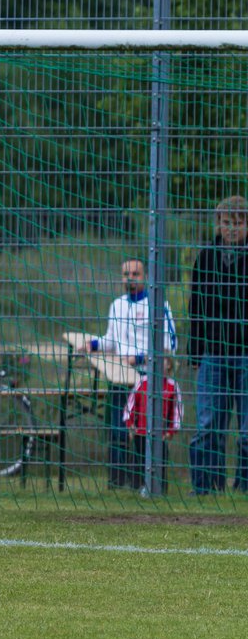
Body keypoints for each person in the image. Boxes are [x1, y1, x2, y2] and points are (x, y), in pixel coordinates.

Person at [75, 258, 177, 490]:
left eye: (135, 273)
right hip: (119, 377)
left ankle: (152, 482)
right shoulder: (117, 305)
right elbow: (112, 341)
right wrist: (91, 343)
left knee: (147, 431)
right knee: (118, 430)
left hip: (146, 379)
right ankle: (118, 484)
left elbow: (170, 343)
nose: (130, 278)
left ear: (145, 276)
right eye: (125, 274)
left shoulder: (159, 304)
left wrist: (141, 358)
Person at [188, 195, 248, 495]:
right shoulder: (206, 257)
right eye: (227, 223)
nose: (233, 229)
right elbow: (195, 308)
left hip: (246, 354)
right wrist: (195, 352)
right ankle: (205, 487)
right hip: (213, 352)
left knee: (247, 429)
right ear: (218, 224)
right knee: (209, 424)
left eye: (239, 223)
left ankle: (244, 486)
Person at [123, 360, 183, 496]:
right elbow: (130, 405)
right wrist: (130, 424)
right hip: (141, 433)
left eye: (163, 362)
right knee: (139, 462)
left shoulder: (172, 386)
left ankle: (160, 491)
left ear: (169, 365)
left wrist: (171, 431)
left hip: (160, 435)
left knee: (160, 463)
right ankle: (137, 489)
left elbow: (177, 411)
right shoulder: (142, 382)